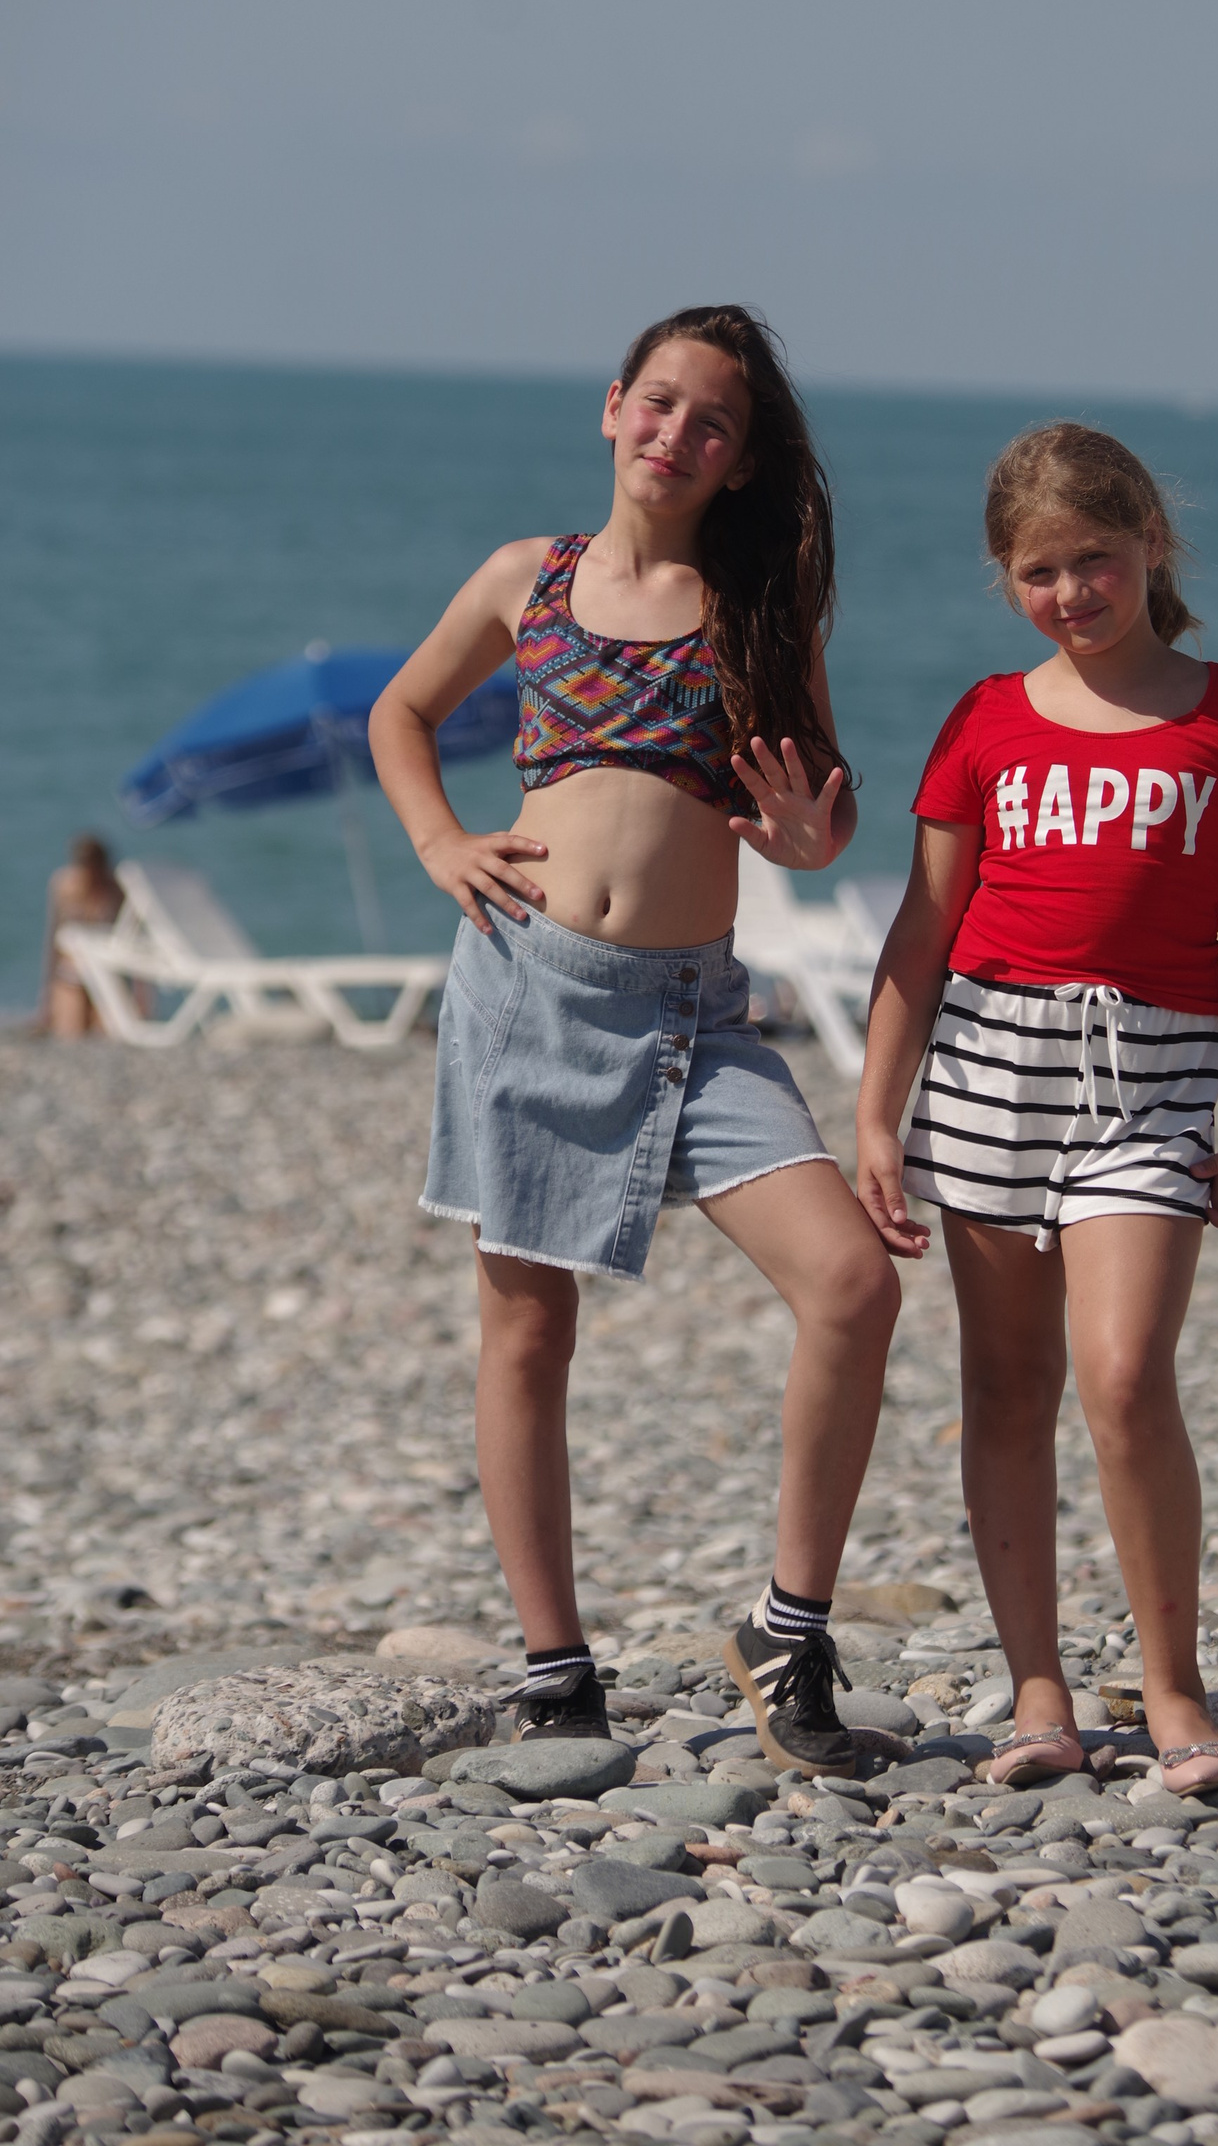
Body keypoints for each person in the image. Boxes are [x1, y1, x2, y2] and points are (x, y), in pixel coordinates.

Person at [369, 304, 901, 1778]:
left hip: (692, 1016)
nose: (678, 434)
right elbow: (402, 713)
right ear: (613, 408)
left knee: (852, 1282)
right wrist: (438, 842)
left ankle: (788, 1628)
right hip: (525, 991)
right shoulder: (526, 578)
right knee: (529, 1331)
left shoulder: (760, 608)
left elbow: (822, 808)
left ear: (742, 461)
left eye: (713, 422)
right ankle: (556, 1667)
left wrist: (809, 837)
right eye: (659, 403)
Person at [853, 422, 1218, 1797]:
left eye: (1095, 560)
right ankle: (1038, 1690)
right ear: (1007, 579)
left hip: (1153, 1076)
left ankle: (1174, 1693)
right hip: (990, 1065)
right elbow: (922, 928)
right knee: (1006, 1387)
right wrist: (876, 1115)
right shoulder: (985, 719)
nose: (1071, 593)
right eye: (1038, 572)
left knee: (1122, 1374)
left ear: (1150, 544)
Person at [39, 835, 125, 1037]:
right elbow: (53, 940)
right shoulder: (64, 886)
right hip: (71, 975)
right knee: (71, 1033)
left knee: (105, 1035)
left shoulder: (116, 889)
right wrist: (46, 995)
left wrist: (141, 996)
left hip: (108, 978)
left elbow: (131, 943)